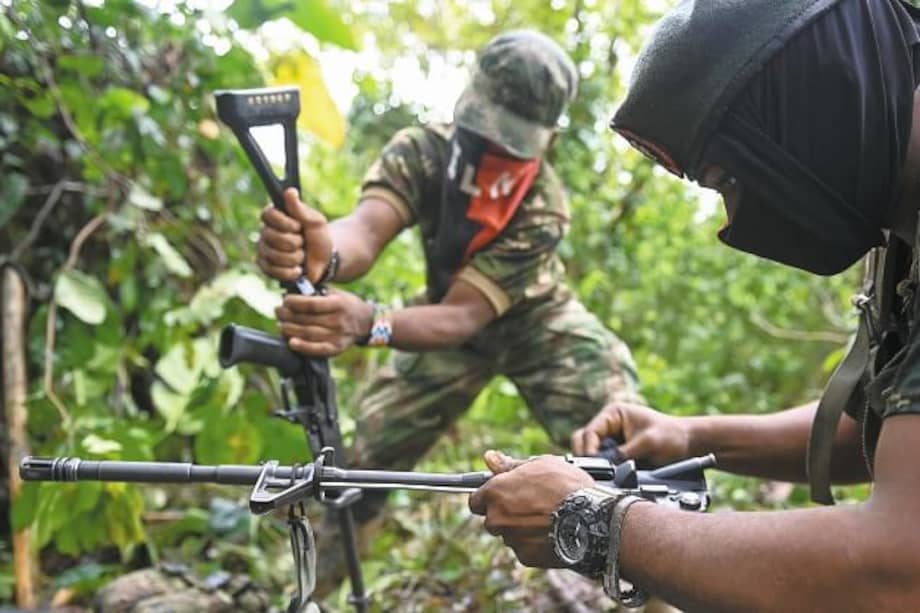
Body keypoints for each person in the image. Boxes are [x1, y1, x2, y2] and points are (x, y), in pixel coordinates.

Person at [469, 0, 920, 610]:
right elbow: (876, 430)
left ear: (810, 110)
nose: (734, 223)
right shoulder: (901, 224)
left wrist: (597, 521)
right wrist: (690, 435)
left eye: (727, 183)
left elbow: (894, 569)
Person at [256, 30, 642, 594]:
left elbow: (464, 316)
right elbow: (363, 231)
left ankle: (655, 583)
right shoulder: (422, 153)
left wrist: (368, 321)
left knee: (623, 443)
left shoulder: (544, 208)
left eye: (510, 143)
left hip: (540, 329)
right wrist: (322, 250)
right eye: (483, 130)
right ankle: (311, 590)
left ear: (547, 141)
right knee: (361, 464)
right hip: (442, 327)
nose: (491, 153)